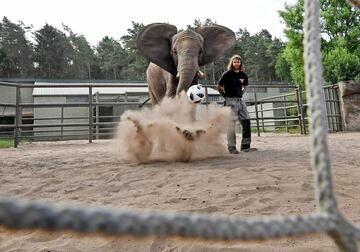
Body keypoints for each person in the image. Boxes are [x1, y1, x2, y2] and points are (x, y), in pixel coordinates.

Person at [217, 54, 254, 154]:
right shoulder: (227, 74)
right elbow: (219, 86)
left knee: (246, 121)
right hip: (230, 101)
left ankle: (245, 146)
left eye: (238, 61)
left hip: (240, 101)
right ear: (232, 63)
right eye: (235, 61)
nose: (236, 63)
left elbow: (245, 85)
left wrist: (242, 92)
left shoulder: (243, 75)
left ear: (240, 63)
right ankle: (232, 147)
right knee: (231, 125)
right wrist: (225, 96)